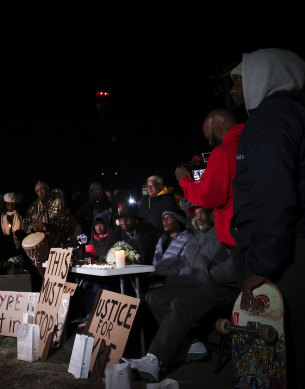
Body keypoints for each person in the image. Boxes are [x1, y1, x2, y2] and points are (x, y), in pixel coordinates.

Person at [230, 48, 305, 388]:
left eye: (238, 81)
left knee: (295, 359)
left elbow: (272, 196)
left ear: (260, 77)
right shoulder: (288, 114)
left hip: (291, 250)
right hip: (301, 244)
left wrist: (260, 267)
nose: (233, 91)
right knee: (301, 353)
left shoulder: (272, 119)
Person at [121, 206, 238, 382]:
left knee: (180, 302)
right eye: (196, 213)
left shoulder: (223, 232)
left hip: (221, 287)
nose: (199, 217)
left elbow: (236, 264)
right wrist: (160, 277)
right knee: (154, 296)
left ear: (212, 214)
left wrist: (211, 275)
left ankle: (155, 360)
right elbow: (184, 267)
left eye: (203, 213)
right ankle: (190, 345)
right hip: (196, 286)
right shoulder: (196, 238)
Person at [174, 108, 246, 279]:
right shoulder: (254, 144)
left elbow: (207, 196)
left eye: (209, 138)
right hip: (261, 231)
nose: (209, 144)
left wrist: (184, 180)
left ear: (218, 131)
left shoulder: (223, 153)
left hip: (239, 239)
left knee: (249, 299)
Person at [22, 181, 71, 248]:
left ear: (48, 189)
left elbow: (64, 222)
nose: (40, 192)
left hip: (56, 241)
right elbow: (25, 224)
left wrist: (46, 226)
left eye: (42, 189)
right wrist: (32, 228)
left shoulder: (57, 202)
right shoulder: (34, 206)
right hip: (40, 244)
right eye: (37, 191)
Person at [150, 208, 192, 281]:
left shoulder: (187, 239)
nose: (164, 221)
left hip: (175, 280)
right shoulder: (161, 239)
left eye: (168, 218)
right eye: (163, 219)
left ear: (178, 221)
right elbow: (155, 262)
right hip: (157, 277)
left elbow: (183, 264)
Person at [0, 192, 25, 262]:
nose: (10, 207)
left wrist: (19, 233)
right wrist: (5, 237)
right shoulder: (0, 217)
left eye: (12, 205)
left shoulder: (21, 215)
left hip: (17, 245)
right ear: (5, 205)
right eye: (8, 205)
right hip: (6, 246)